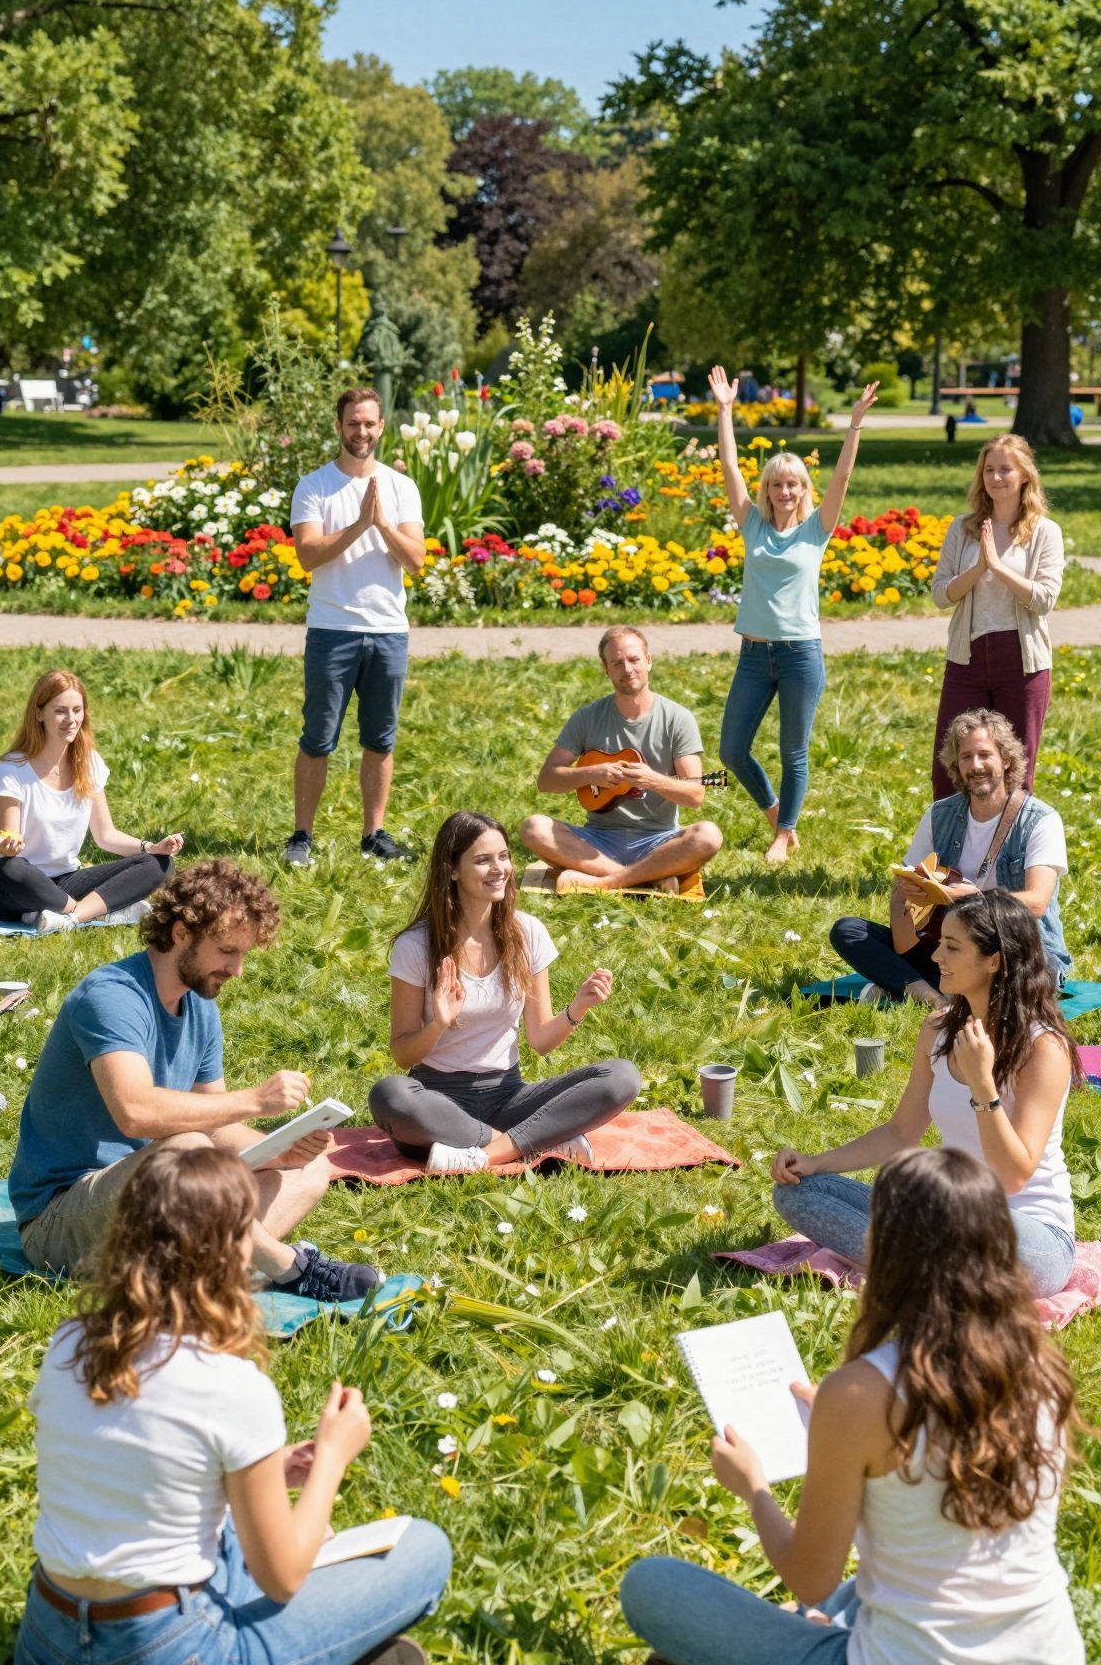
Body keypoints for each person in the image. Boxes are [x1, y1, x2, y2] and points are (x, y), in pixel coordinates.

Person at [622, 1146, 1084, 1665]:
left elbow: (811, 1579)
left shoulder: (864, 1393)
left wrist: (755, 1488)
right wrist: (840, 1430)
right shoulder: (1039, 1366)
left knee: (651, 1586)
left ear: (887, 1251)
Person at [14, 1144, 451, 1665]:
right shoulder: (229, 1385)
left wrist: (266, 1471)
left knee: (235, 1536)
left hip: (43, 1664)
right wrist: (331, 1461)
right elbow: (283, 1578)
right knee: (425, 1550)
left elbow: (140, 1465)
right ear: (231, 1253)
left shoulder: (70, 1346)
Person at [8, 857, 379, 1304]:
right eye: (227, 951)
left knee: (307, 1169)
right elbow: (136, 1112)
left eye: (243, 954)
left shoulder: (199, 1004)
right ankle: (288, 1267)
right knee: (190, 1154)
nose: (237, 969)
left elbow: (215, 1124)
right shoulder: (111, 997)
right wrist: (256, 1100)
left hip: (160, 1198)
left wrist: (280, 1149)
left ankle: (203, 1272)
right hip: (61, 1222)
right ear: (181, 933)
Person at [775, 889, 1079, 1299]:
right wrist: (815, 1163)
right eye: (940, 944)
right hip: (943, 1218)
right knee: (798, 1192)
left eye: (952, 947)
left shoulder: (1043, 1048)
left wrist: (982, 1085)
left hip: (1028, 1238)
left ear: (994, 960)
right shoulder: (938, 1030)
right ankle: (919, 1269)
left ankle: (895, 1263)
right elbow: (902, 1133)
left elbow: (1013, 1174)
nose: (935, 957)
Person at [369, 811, 641, 1174]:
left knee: (622, 1076)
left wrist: (576, 1009)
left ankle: (481, 1156)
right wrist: (438, 1024)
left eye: (503, 856)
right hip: (438, 1103)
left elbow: (541, 1040)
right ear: (452, 870)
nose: (499, 868)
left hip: (509, 1096)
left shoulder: (527, 932)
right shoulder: (416, 945)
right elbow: (403, 1055)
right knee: (389, 1095)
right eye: (482, 860)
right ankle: (535, 1143)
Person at [709, 364, 880, 865]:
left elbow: (844, 475)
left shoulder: (817, 528)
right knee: (732, 750)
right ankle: (775, 814)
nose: (786, 491)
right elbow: (729, 467)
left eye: (794, 485)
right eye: (778, 484)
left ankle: (785, 833)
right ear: (768, 489)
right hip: (754, 655)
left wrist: (854, 426)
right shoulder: (753, 525)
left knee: (793, 752)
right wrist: (725, 411)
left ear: (805, 490)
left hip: (802, 654)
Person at [830, 708, 1070, 1005]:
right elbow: (904, 882)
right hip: (947, 945)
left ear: (1006, 760)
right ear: (956, 764)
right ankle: (931, 996)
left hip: (1015, 949)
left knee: (1018, 974)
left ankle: (906, 986)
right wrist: (908, 890)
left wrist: (976, 898)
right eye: (966, 757)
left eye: (985, 755)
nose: (976, 765)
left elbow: (1036, 902)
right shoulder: (939, 815)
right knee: (848, 931)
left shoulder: (1040, 820)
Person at [283, 385, 426, 870]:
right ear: (339, 426)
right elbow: (307, 556)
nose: (360, 431)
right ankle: (302, 835)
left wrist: (381, 523)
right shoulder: (314, 486)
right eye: (352, 422)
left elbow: (417, 561)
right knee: (317, 738)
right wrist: (359, 525)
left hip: (388, 631)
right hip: (332, 629)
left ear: (381, 427)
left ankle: (373, 835)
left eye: (369, 423)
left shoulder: (401, 487)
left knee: (380, 739)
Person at [519, 626, 723, 893]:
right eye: (616, 663)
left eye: (634, 659)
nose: (627, 669)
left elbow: (694, 795)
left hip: (659, 841)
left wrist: (652, 780)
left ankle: (602, 882)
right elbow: (546, 780)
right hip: (597, 841)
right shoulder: (588, 717)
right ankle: (647, 879)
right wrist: (592, 774)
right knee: (533, 827)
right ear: (606, 670)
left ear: (648, 661)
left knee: (709, 835)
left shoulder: (677, 718)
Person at [0, 669, 182, 935]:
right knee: (6, 870)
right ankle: (94, 910)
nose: (71, 719)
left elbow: (106, 836)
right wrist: (8, 845)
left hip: (66, 881)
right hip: (18, 885)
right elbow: (6, 845)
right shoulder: (12, 769)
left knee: (160, 864)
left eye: (77, 710)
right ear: (39, 713)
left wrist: (150, 847)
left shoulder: (88, 764)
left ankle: (70, 917)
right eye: (60, 711)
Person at [930, 436, 1063, 795]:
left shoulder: (1044, 532)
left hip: (1022, 663)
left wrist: (998, 567)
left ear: (1024, 475)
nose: (996, 477)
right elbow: (941, 594)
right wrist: (977, 569)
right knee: (949, 768)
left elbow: (1044, 598)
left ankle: (1008, 850)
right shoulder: (963, 528)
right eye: (989, 469)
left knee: (1015, 770)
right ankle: (950, 848)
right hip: (967, 658)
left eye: (1005, 469)